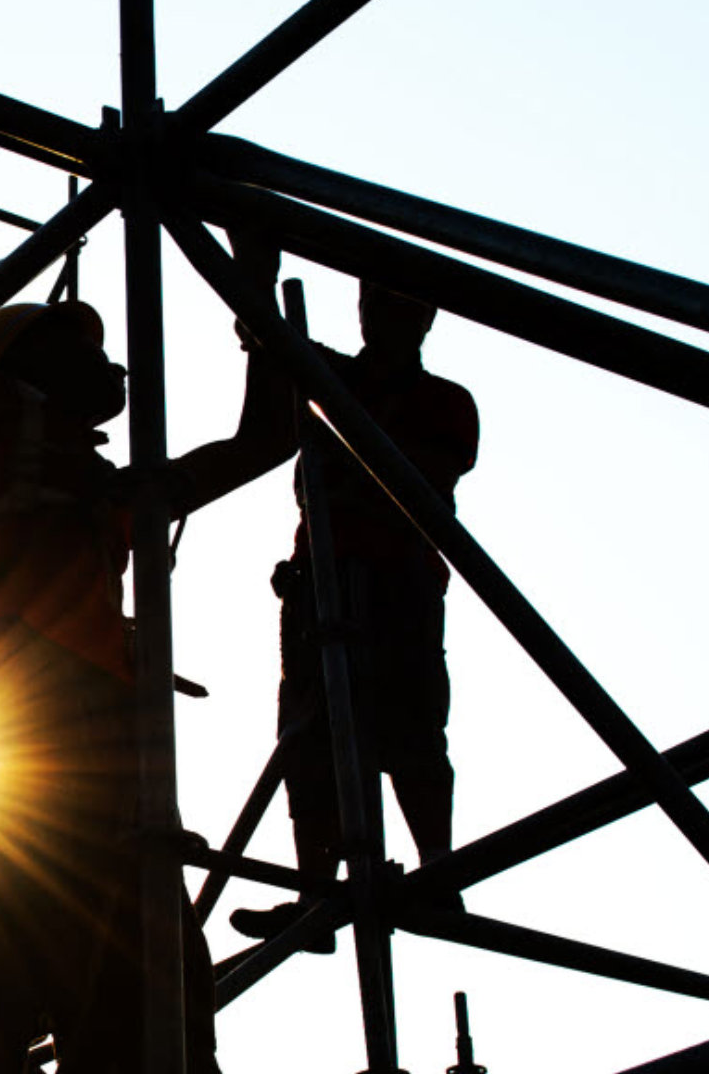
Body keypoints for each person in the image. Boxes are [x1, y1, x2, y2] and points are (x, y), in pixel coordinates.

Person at [0, 300, 269, 1074]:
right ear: (23, 355)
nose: (111, 365)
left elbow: (259, 444)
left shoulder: (105, 484)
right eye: (81, 346)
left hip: (105, 729)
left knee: (142, 986)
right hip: (1, 695)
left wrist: (258, 304)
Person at [227, 262, 479, 952]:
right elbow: (257, 331)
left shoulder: (444, 401)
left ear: (423, 318)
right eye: (373, 301)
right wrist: (255, 271)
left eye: (396, 305)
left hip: (399, 584)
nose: (379, 317)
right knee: (311, 738)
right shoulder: (328, 374)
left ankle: (439, 878)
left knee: (413, 732)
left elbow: (427, 466)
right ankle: (316, 892)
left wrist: (328, 389)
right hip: (319, 585)